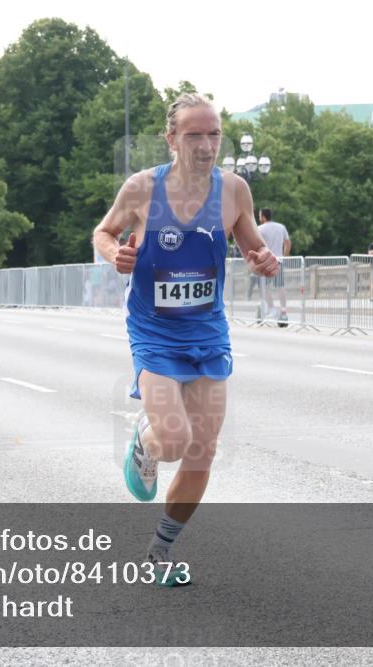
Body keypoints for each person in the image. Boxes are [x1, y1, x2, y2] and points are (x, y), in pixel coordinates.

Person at [92, 93, 279, 587]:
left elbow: (252, 246)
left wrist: (264, 261)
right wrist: (115, 254)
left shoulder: (234, 190)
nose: (206, 143)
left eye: (214, 133)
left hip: (207, 329)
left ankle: (160, 551)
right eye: (194, 134)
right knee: (174, 440)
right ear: (172, 138)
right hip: (154, 329)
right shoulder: (142, 189)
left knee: (204, 449)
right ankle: (145, 442)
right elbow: (104, 232)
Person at [257, 208, 291, 325]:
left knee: (265, 287)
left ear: (263, 217)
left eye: (259, 215)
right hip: (279, 260)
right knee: (280, 286)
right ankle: (283, 310)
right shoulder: (281, 227)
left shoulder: (259, 229)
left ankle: (271, 308)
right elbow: (287, 243)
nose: (258, 218)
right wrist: (284, 256)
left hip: (266, 261)